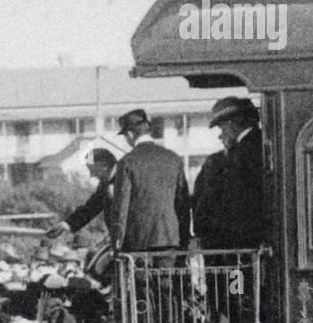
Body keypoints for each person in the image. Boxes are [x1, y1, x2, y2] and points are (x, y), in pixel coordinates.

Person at [110, 110, 191, 254]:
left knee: (139, 278)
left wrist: (116, 244)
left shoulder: (127, 162)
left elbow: (121, 208)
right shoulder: (174, 159)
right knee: (166, 277)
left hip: (137, 243)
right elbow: (183, 203)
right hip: (170, 240)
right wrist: (184, 240)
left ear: (129, 134)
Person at [194, 96, 265, 251]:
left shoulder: (241, 153)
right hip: (247, 241)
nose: (221, 134)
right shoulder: (255, 145)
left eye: (222, 127)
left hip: (238, 244)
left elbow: (233, 201)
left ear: (233, 122)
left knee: (237, 276)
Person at [48, 149, 118, 241]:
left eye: (92, 170)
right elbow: (91, 208)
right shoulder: (105, 183)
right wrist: (65, 224)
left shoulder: (126, 177)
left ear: (104, 165)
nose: (91, 175)